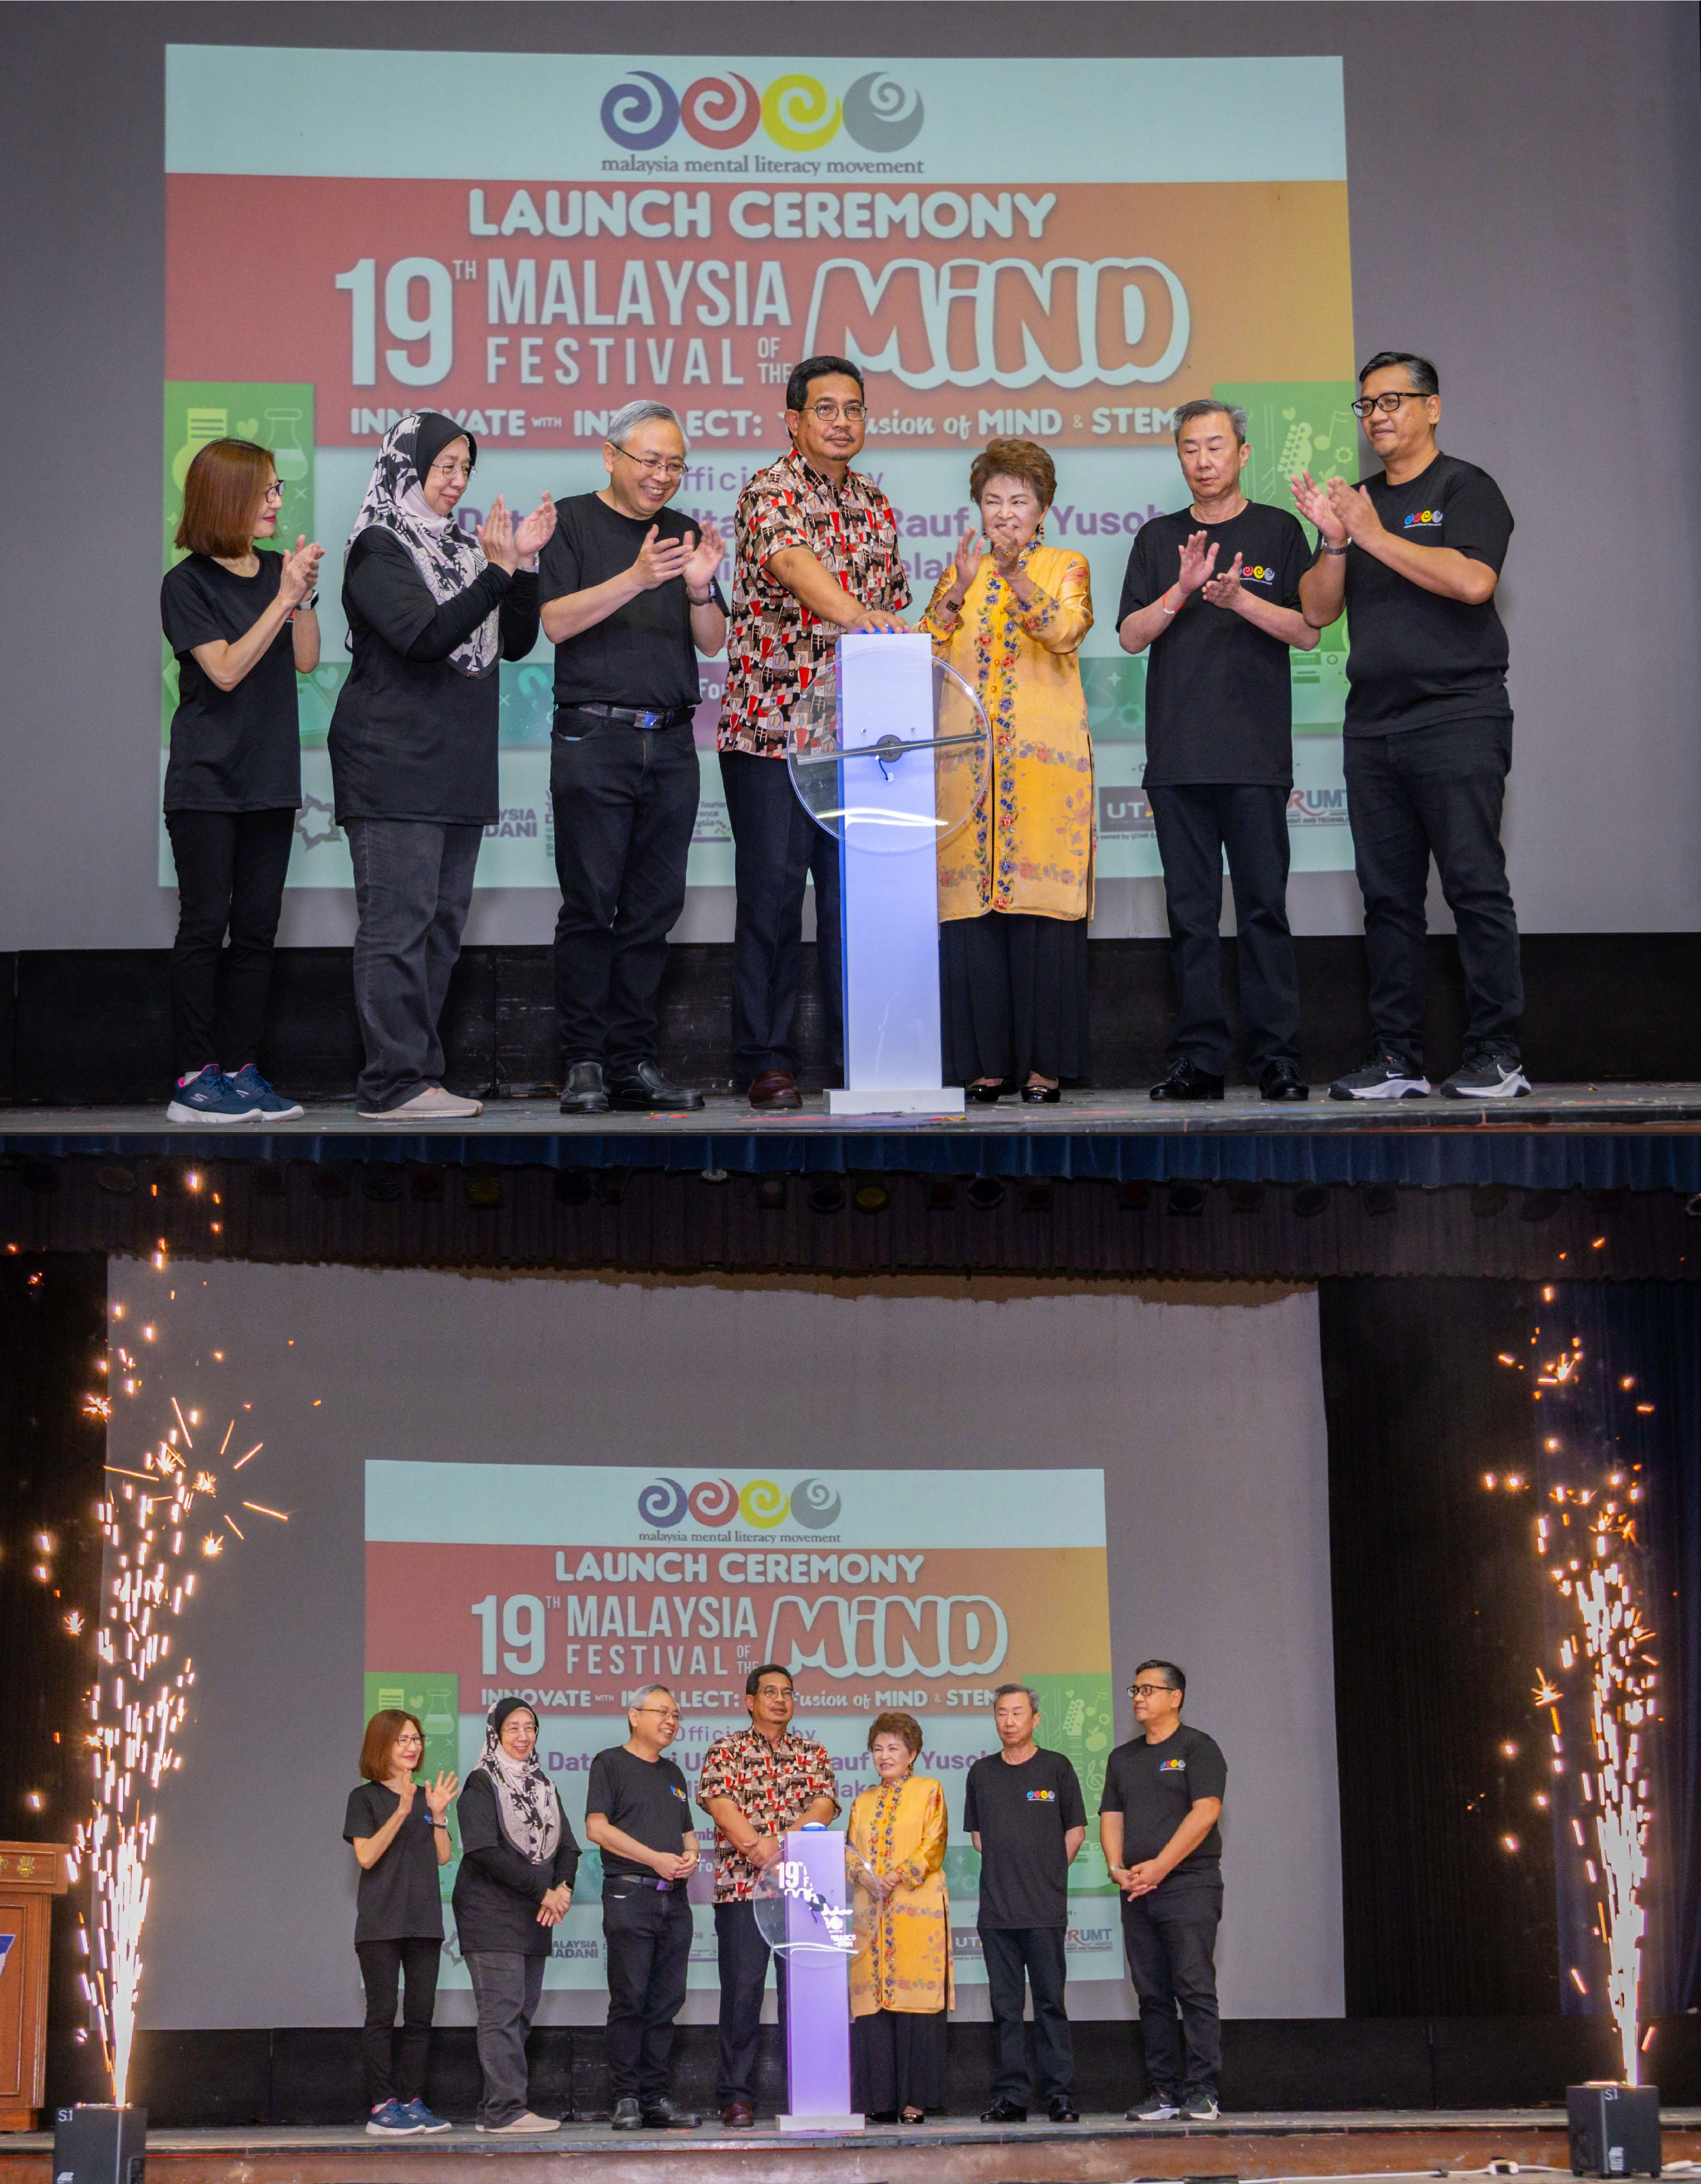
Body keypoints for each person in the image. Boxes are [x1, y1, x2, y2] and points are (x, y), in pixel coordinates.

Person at [1294, 351, 1528, 1101]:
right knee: (1388, 896)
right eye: (1367, 405)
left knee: (1473, 885)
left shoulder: (1466, 487)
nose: (1380, 415)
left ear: (1433, 407)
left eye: (1395, 400)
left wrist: (1371, 534)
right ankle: (1397, 1058)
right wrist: (1335, 541)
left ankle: (1499, 1053)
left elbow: (1472, 581)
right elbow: (1319, 610)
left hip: (1457, 715)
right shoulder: (1357, 504)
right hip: (1374, 727)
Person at [328, 412, 554, 1120]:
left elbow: (513, 642)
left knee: (440, 925)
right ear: (407, 468)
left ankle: (419, 1076)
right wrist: (495, 571)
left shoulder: (462, 549)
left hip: (457, 764)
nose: (457, 482)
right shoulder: (377, 547)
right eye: (445, 467)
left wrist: (523, 570)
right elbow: (423, 636)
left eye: (465, 468)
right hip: (391, 761)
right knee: (397, 924)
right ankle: (390, 1083)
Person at [718, 355, 910, 1109]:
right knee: (770, 901)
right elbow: (796, 567)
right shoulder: (769, 491)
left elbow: (894, 607)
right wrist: (856, 616)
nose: (842, 421)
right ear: (793, 419)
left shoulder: (876, 505)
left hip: (855, 739)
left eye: (854, 408)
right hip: (771, 734)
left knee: (851, 904)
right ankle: (766, 1059)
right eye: (825, 408)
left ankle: (856, 1055)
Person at [1118, 401, 1317, 1103]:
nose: (1203, 460)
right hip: (1177, 760)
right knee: (1192, 916)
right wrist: (1183, 589)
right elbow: (1132, 637)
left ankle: (1277, 1059)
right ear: (1180, 459)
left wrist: (1240, 602)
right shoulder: (1159, 538)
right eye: (1190, 450)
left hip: (1256, 757)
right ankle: (1199, 1061)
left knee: (1264, 908)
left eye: (1216, 447)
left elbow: (1309, 631)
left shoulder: (1278, 530)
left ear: (1242, 452)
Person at [538, 402, 728, 1116]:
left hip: (672, 742)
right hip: (595, 739)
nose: (662, 475)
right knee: (591, 906)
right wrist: (638, 579)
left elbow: (710, 642)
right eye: (650, 460)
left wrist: (701, 586)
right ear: (610, 456)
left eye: (675, 463)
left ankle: (632, 1062)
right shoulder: (573, 523)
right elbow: (552, 621)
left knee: (652, 911)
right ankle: (584, 1062)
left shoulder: (681, 533)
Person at [919, 439, 1094, 1104]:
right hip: (966, 770)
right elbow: (923, 651)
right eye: (993, 501)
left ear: (1043, 507)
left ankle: (1044, 1069)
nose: (1005, 514)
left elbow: (1066, 632)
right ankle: (984, 1065)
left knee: (1043, 916)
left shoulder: (1065, 565)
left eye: (1019, 501)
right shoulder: (958, 572)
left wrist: (1019, 578)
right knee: (971, 916)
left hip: (1044, 770)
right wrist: (955, 595)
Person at [160, 437, 321, 1123]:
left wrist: (302, 598)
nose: (278, 502)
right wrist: (278, 599)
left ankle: (242, 1070)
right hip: (206, 782)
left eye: (280, 489)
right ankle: (196, 1078)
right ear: (228, 498)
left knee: (257, 930)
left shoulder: (281, 572)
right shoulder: (186, 584)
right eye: (267, 491)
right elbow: (225, 671)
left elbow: (307, 661)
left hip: (270, 778)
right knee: (206, 927)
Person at [696, 1662, 839, 2124]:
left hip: (802, 1892)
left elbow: (823, 1804)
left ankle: (811, 2093)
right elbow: (720, 1804)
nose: (781, 1699)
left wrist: (778, 1846)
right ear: (750, 1700)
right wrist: (755, 1849)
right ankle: (736, 2096)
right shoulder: (726, 1750)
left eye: (788, 1692)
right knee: (742, 1994)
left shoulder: (813, 1752)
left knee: (803, 1995)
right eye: (771, 1692)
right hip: (741, 1891)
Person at [1099, 1661, 1227, 2124]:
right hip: (1137, 1889)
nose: (1138, 1696)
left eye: (1149, 1689)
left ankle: (1203, 2091)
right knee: (1151, 1994)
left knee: (1193, 1987)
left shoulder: (1198, 1748)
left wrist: (1161, 1866)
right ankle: (1164, 2092)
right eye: (1136, 1688)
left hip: (1188, 1884)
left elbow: (1206, 1812)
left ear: (1175, 1697)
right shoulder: (1123, 1758)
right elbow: (1111, 1818)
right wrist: (1118, 1869)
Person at [452, 1697, 580, 2134]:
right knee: (501, 2012)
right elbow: (484, 1851)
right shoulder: (480, 1783)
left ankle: (495, 2111)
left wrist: (562, 1888)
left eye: (530, 1728)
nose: (523, 1736)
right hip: (489, 1914)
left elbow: (569, 1847)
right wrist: (543, 1889)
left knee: (521, 2014)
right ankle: (507, 2110)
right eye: (514, 1728)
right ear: (496, 1734)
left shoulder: (544, 1784)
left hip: (534, 1916)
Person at [962, 1684, 1086, 2124]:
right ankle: (1011, 2097)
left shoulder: (1057, 1767)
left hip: (1044, 1910)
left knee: (1051, 2002)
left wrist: (1050, 1873)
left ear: (1035, 1719)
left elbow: (1076, 1830)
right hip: (997, 1913)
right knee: (1006, 2009)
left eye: (1018, 1712)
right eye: (1001, 1713)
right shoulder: (981, 1773)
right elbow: (979, 1839)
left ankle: (1060, 2096)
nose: (1009, 1721)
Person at [583, 1684, 701, 2130]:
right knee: (630, 1999)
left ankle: (655, 2096)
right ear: (635, 1715)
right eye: (663, 1712)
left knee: (666, 2002)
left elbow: (687, 1832)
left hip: (675, 1900)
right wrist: (654, 1858)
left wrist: (691, 1854)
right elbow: (597, 1828)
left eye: (676, 1714)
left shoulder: (673, 1774)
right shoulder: (610, 1763)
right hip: (630, 1894)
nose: (671, 1720)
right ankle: (626, 2097)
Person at [343, 1710, 458, 2135]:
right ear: (382, 1746)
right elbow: (367, 1856)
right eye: (402, 1740)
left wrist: (438, 1814)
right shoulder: (364, 1798)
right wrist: (402, 1810)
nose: (413, 1746)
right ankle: (381, 2106)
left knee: (420, 2016)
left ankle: (412, 2101)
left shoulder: (429, 1797)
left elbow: (443, 1855)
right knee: (382, 2014)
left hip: (425, 1922)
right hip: (381, 1925)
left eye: (417, 1738)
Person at [847, 1710, 953, 2125]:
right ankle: (881, 2098)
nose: (884, 1756)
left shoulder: (930, 1790)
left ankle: (914, 2100)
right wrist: (862, 1875)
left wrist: (894, 1876)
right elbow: (849, 1852)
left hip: (916, 1914)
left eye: (894, 1748)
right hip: (870, 1915)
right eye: (878, 1748)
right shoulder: (863, 1800)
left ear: (912, 1754)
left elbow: (934, 1844)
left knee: (916, 2010)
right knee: (874, 2010)